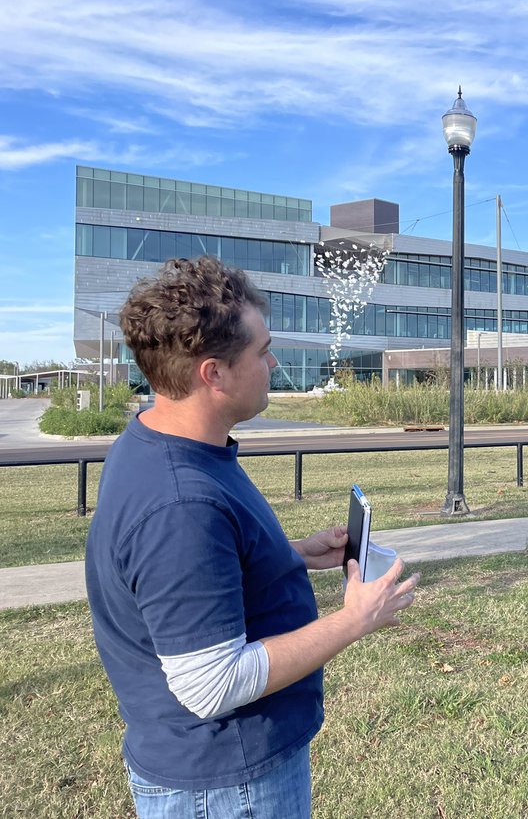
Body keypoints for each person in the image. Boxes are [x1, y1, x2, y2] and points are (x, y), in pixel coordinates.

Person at [85, 256, 420, 817]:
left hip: (217, 775)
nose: (274, 362)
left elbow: (183, 578)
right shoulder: (180, 504)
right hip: (225, 785)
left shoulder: (160, 443)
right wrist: (353, 619)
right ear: (213, 374)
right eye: (262, 352)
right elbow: (212, 684)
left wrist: (287, 555)